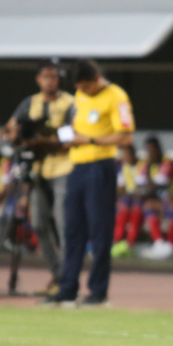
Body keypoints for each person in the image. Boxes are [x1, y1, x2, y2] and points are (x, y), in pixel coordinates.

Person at [43, 59, 134, 307]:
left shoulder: (117, 96)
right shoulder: (80, 97)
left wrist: (91, 140)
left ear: (96, 79)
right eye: (78, 88)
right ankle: (67, 288)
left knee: (99, 231)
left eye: (85, 87)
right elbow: (77, 125)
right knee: (73, 230)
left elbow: (126, 136)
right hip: (77, 167)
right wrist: (69, 137)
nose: (81, 92)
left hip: (99, 167)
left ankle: (97, 291)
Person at [2, 61, 75, 296]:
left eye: (54, 77)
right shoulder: (29, 104)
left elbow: (69, 140)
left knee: (63, 223)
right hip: (36, 170)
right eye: (45, 77)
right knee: (38, 223)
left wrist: (42, 141)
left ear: (59, 80)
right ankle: (58, 273)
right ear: (38, 79)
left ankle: (68, 280)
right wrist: (12, 134)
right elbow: (8, 129)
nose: (50, 81)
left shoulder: (69, 103)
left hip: (63, 167)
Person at [139, 136, 173, 260]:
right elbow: (139, 187)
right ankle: (160, 244)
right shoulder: (148, 166)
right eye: (148, 151)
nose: (150, 154)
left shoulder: (168, 164)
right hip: (165, 201)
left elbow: (155, 187)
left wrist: (148, 171)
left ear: (159, 150)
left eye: (152, 150)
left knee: (169, 204)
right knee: (148, 205)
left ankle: (170, 245)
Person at [112, 145, 147, 258]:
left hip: (141, 199)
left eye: (127, 155)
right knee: (123, 210)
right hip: (128, 199)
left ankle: (130, 244)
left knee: (135, 211)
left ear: (133, 154)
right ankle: (117, 242)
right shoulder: (123, 167)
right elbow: (120, 187)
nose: (126, 157)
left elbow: (141, 188)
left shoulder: (141, 166)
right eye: (124, 155)